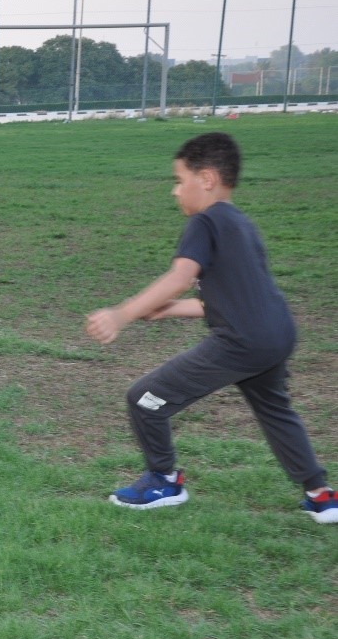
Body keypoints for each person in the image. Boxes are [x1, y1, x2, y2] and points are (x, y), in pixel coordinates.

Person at [86, 132, 335, 524]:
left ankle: (165, 481)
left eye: (179, 180)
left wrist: (122, 314)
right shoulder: (242, 224)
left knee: (145, 398)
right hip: (277, 334)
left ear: (207, 179)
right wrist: (166, 312)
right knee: (275, 411)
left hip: (243, 342)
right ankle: (321, 495)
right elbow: (226, 299)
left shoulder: (205, 220)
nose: (175, 191)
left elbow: (181, 276)